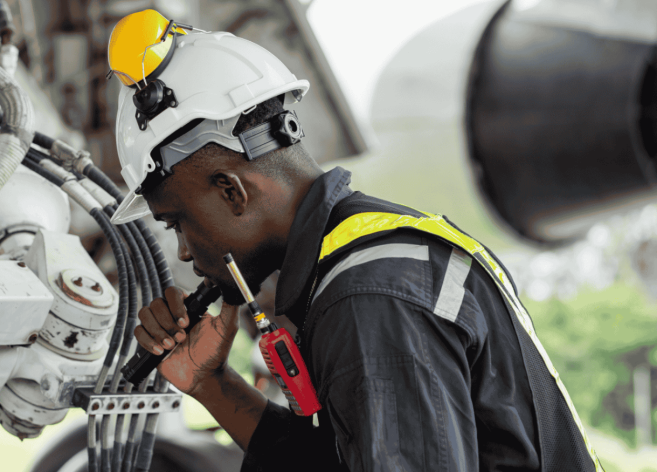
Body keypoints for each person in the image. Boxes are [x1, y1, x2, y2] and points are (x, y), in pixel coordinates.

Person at [106, 9, 604, 471]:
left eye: (177, 223)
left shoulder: (369, 295)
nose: (186, 253)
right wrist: (211, 386)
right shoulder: (368, 261)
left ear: (233, 192)